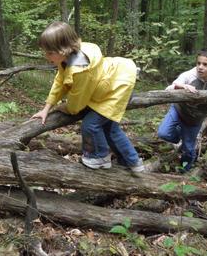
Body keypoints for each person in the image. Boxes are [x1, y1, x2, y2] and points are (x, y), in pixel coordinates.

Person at [32, 21, 144, 172]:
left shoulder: (81, 69)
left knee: (90, 125)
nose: (46, 56)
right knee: (110, 128)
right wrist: (47, 107)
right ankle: (131, 162)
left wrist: (64, 107)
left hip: (117, 87)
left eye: (50, 52)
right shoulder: (66, 59)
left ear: (63, 49)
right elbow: (60, 82)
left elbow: (77, 103)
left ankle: (98, 157)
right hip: (113, 81)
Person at [157, 47, 207, 171]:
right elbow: (169, 89)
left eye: (205, 64)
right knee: (163, 133)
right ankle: (180, 136)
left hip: (195, 119)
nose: (200, 67)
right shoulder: (188, 76)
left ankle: (185, 170)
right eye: (198, 63)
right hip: (179, 111)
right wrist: (182, 86)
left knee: (189, 149)